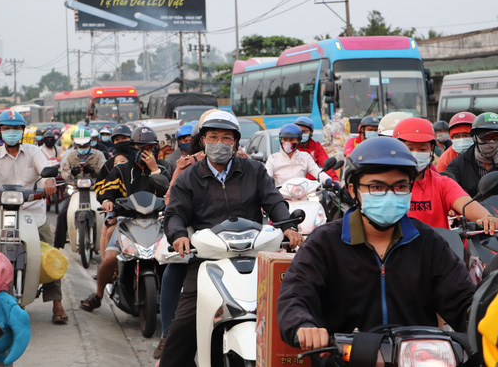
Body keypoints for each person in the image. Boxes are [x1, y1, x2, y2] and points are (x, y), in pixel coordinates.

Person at [277, 136, 476, 354]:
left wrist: (486, 320)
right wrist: (304, 325)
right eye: (377, 187)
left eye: (400, 186)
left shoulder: (428, 242)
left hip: (416, 358)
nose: (390, 195)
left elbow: (462, 299)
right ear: (353, 190)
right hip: (345, 358)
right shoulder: (324, 243)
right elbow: (295, 295)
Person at [158, 111, 303, 366]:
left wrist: (289, 227)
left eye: (226, 138)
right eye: (213, 137)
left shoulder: (254, 170)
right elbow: (175, 213)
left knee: (293, 310)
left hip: (256, 256)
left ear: (236, 143)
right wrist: (179, 235)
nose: (219, 143)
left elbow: (274, 201)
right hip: (207, 261)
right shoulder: (188, 177)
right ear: (203, 141)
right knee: (180, 332)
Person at [0, 110, 67, 324]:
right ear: (0, 131)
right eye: (8, 128)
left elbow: (47, 168)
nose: (12, 132)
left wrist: (49, 182)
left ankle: (57, 302)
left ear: (23, 131)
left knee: (49, 252)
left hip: (32, 210)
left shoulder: (34, 152)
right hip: (1, 209)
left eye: (17, 128)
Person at [79, 126, 171, 312]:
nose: (146, 151)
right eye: (141, 147)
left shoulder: (163, 168)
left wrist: (154, 170)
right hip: (127, 221)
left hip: (157, 222)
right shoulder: (120, 170)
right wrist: (106, 201)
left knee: (172, 260)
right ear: (132, 147)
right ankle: (98, 294)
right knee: (110, 258)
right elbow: (104, 190)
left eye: (150, 147)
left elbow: (168, 191)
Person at [392, 117, 498, 230]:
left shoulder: (441, 183)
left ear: (431, 149)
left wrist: (487, 217)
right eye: (409, 148)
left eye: (422, 150)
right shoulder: (386, 184)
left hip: (436, 246)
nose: (415, 155)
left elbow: (466, 204)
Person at [53, 129, 106, 250]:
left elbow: (104, 171)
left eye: (85, 145)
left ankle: (108, 244)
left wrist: (92, 171)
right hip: (76, 189)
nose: (83, 147)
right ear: (76, 144)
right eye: (80, 145)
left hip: (94, 190)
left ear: (90, 143)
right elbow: (64, 172)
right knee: (62, 215)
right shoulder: (70, 155)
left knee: (107, 214)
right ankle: (58, 245)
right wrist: (73, 172)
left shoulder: (99, 155)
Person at [93, 124, 133, 256]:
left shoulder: (140, 162)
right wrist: (106, 200)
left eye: (124, 138)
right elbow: (101, 186)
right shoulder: (109, 164)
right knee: (107, 230)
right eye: (117, 140)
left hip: (143, 210)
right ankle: (106, 269)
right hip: (118, 210)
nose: (121, 142)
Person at [265, 124, 337, 189]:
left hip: (303, 195)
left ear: (298, 141)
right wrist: (269, 183)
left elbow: (316, 171)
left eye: (292, 140)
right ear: (281, 140)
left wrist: (328, 180)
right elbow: (267, 177)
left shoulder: (305, 156)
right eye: (285, 139)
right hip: (282, 197)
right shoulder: (273, 158)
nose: (287, 143)